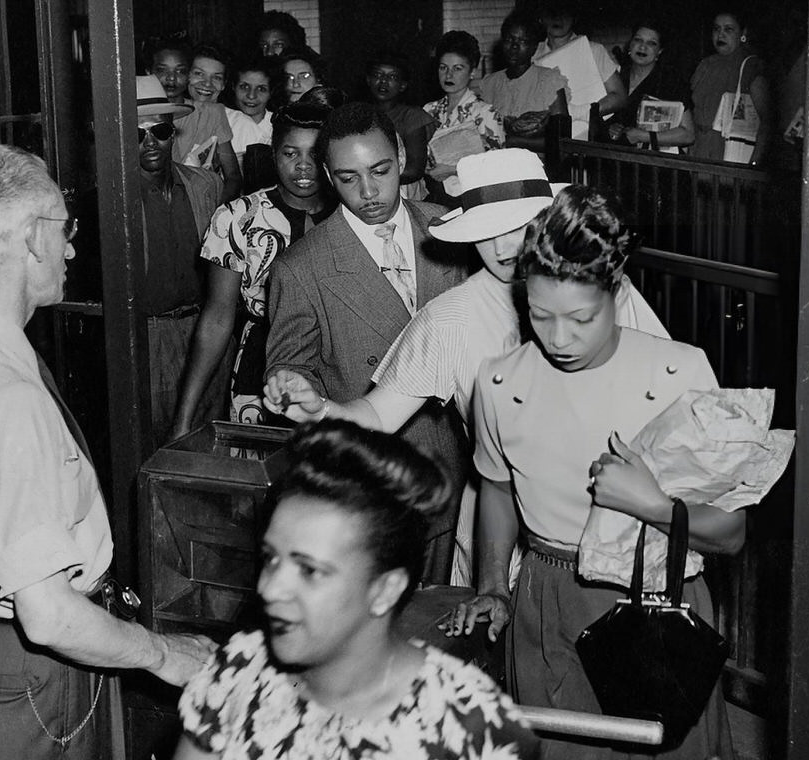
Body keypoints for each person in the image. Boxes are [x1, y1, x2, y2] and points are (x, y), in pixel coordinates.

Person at [0, 143, 215, 760]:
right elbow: (50, 613)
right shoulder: (7, 397)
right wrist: (163, 654)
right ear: (33, 238)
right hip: (29, 681)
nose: (72, 250)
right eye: (66, 230)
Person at [446, 185, 743, 760]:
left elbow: (730, 534)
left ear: (617, 293)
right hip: (546, 603)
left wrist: (652, 504)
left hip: (658, 603)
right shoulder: (500, 382)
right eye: (539, 315)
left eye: (581, 318)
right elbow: (498, 491)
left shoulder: (681, 372)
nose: (559, 339)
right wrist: (492, 587)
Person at [265, 149, 668, 586]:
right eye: (486, 232)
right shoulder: (450, 318)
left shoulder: (604, 291)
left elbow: (667, 397)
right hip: (499, 529)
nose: (502, 247)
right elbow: (379, 414)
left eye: (518, 227)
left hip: (609, 515)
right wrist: (321, 409)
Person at [161, 420, 545, 760]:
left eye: (309, 570)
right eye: (271, 559)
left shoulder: (468, 727)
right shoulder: (239, 672)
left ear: (385, 590)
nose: (270, 589)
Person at [264, 102, 469, 585]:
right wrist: (292, 385)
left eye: (381, 170)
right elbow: (292, 367)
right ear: (327, 176)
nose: (370, 191)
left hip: (461, 476)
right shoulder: (303, 267)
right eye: (349, 177)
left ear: (401, 155)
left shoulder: (452, 230)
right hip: (374, 484)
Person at [171, 101, 336, 436]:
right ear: (272, 154)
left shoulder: (349, 216)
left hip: (337, 370)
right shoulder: (237, 217)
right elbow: (217, 319)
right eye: (291, 153)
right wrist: (183, 420)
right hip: (258, 375)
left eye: (315, 155)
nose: (303, 166)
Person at [134, 80, 226, 446]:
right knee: (154, 444)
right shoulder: (113, 196)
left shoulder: (205, 185)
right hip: (147, 335)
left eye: (159, 130)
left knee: (207, 443)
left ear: (173, 133)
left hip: (204, 331)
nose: (150, 142)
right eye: (137, 134)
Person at [530, 0, 627, 139]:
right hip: (549, 139)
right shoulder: (532, 55)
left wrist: (583, 112)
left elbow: (619, 96)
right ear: (540, 18)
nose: (557, 18)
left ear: (574, 17)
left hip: (591, 138)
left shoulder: (594, 50)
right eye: (551, 12)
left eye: (564, 12)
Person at [689, 10, 774, 165]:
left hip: (732, 157)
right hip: (699, 155)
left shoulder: (751, 67)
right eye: (716, 29)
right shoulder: (705, 65)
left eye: (728, 30)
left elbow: (767, 121)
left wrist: (754, 163)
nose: (721, 35)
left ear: (742, 33)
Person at [475, 11, 568, 151]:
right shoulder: (489, 84)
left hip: (537, 166)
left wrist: (513, 141)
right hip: (497, 164)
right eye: (509, 40)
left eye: (523, 41)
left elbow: (562, 139)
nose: (514, 46)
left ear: (534, 47)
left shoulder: (549, 80)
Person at [422, 30, 503, 184]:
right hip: (434, 193)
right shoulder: (428, 111)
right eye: (443, 67)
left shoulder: (485, 113)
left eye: (457, 68)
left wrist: (453, 170)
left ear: (472, 72)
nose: (448, 75)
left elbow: (496, 166)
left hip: (474, 194)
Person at [606, 21, 696, 152]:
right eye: (638, 40)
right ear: (630, 45)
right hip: (617, 162)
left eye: (651, 43)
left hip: (656, 166)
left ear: (659, 51)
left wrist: (643, 136)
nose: (643, 47)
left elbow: (688, 135)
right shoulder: (615, 77)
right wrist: (611, 128)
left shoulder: (671, 82)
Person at [174, 43, 243, 202]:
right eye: (199, 73)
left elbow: (233, 176)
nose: (207, 83)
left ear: (224, 84)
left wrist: (214, 211)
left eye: (217, 77)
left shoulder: (215, 114)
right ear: (186, 75)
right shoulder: (163, 111)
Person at [362, 50, 432, 196]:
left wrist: (368, 177)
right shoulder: (359, 114)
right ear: (368, 80)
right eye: (378, 75)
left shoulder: (412, 117)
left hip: (403, 192)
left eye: (392, 77)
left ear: (402, 85)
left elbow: (414, 170)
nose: (383, 81)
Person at [226, 56, 278, 192]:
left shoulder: (279, 125)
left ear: (271, 92)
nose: (251, 96)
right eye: (244, 87)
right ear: (233, 87)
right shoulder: (224, 121)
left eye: (261, 89)